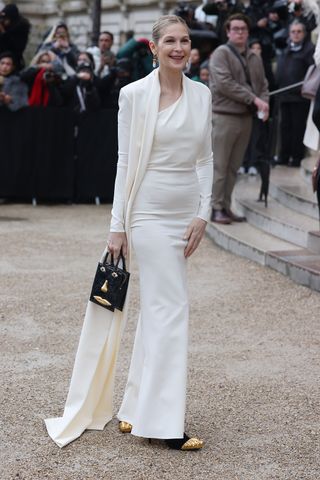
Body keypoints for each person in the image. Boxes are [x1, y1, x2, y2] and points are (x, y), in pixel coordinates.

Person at [44, 14, 213, 451]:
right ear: (153, 48)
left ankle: (136, 407)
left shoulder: (202, 95)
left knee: (159, 306)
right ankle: (162, 423)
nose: (180, 48)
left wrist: (203, 214)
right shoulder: (133, 94)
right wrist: (116, 226)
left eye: (185, 41)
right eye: (170, 41)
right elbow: (122, 162)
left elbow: (206, 160)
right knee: (172, 307)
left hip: (185, 214)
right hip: (149, 214)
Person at [209, 13, 269, 224]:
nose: (240, 32)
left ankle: (226, 205)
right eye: (235, 29)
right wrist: (254, 99)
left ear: (248, 32)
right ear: (228, 32)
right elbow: (225, 84)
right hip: (224, 117)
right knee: (220, 165)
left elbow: (263, 85)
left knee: (234, 166)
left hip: (245, 117)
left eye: (243, 29)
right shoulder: (220, 54)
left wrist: (263, 102)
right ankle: (216, 207)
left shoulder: (254, 56)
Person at [276, 20, 314, 167]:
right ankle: (283, 156)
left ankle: (296, 157)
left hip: (300, 97)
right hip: (284, 95)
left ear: (304, 34)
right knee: (284, 127)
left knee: (298, 128)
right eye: (293, 31)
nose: (296, 34)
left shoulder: (308, 50)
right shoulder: (286, 49)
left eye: (299, 32)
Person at [0, 3, 30, 71]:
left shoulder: (21, 29)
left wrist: (3, 33)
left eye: (6, 19)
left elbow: (16, 48)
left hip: (12, 62)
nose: (3, 21)